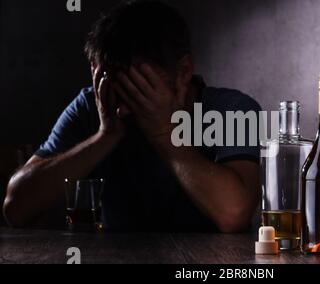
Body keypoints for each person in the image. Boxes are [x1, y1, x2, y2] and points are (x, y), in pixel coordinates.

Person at [3, 0, 261, 233]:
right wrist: (104, 137)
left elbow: (234, 214)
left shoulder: (230, 109)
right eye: (119, 90)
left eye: (140, 89)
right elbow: (16, 207)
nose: (125, 109)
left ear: (183, 72)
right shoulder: (92, 106)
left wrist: (165, 136)